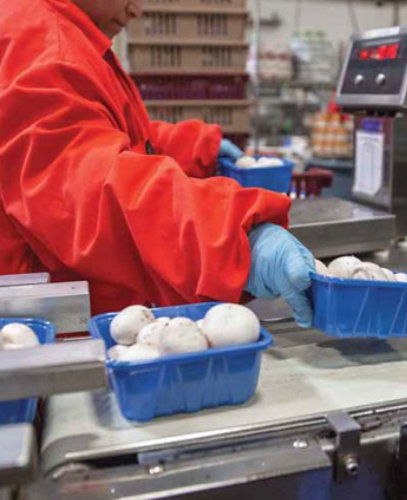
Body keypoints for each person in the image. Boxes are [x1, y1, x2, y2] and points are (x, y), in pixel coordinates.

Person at [0, 0, 315, 327]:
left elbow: (97, 138)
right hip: (46, 326)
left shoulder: (61, 32)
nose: (136, 10)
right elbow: (84, 190)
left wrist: (195, 149)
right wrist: (229, 237)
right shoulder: (42, 45)